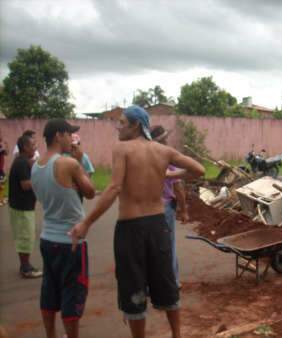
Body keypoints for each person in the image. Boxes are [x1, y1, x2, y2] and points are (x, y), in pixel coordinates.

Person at [69, 105, 205, 338]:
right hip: (157, 225)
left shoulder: (122, 149)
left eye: (122, 123)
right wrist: (172, 174)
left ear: (135, 125)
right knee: (165, 281)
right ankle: (177, 335)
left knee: (134, 287)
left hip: (131, 228)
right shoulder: (163, 151)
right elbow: (199, 169)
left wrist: (86, 222)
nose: (118, 127)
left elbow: (114, 188)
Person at [31, 119, 96, 338]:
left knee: (49, 291)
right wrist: (79, 162)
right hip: (72, 241)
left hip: (47, 238)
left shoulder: (36, 165)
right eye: (69, 134)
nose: (72, 139)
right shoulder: (68, 164)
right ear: (59, 135)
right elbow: (89, 191)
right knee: (72, 293)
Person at [150, 125, 189, 289]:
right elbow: (178, 188)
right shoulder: (168, 159)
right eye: (164, 139)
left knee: (152, 245)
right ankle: (172, 281)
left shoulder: (147, 159)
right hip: (165, 206)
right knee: (168, 244)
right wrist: (184, 210)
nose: (167, 141)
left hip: (149, 206)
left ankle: (151, 283)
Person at [8, 134, 42, 278]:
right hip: (21, 207)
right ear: (25, 147)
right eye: (33, 145)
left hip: (22, 206)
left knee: (25, 236)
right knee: (25, 237)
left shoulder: (23, 161)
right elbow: (25, 185)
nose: (35, 147)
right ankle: (25, 268)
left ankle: (25, 265)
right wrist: (40, 179)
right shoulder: (22, 163)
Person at [0, 129, 9, 206]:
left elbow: (6, 153)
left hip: (1, 169)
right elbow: (5, 152)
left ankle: (1, 199)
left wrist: (6, 145)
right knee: (2, 182)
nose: (1, 136)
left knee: (3, 182)